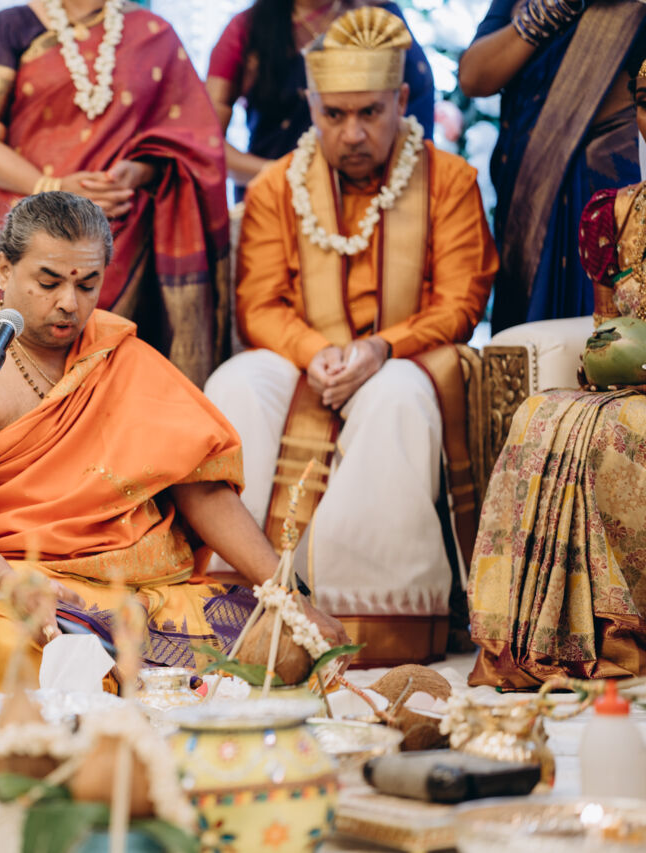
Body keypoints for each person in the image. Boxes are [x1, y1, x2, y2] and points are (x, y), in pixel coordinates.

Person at [0, 191, 347, 692]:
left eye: (88, 284)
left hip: (144, 593)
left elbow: (202, 488)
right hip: (18, 584)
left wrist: (288, 597)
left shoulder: (118, 354)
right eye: (48, 282)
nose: (69, 303)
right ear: (5, 270)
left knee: (285, 644)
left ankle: (140, 684)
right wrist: (14, 584)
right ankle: (140, 687)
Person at [205, 8, 497, 665]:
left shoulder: (450, 182)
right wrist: (316, 353)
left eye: (370, 112)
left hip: (402, 355)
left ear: (402, 100)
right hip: (305, 356)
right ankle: (233, 600)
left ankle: (370, 611)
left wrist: (379, 348)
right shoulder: (276, 186)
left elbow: (461, 301)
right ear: (310, 104)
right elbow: (259, 304)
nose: (353, 132)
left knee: (395, 394)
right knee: (237, 381)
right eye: (334, 114)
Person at [468, 54, 646, 689]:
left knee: (622, 430)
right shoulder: (616, 214)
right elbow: (605, 331)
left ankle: (624, 638)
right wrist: (611, 356)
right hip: (633, 384)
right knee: (538, 414)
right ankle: (539, 644)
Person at [0, 0, 229, 385]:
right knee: (17, 376)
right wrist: (53, 189)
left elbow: (192, 142)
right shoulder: (14, 26)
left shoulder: (153, 33)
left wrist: (137, 171)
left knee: (118, 384)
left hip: (124, 236)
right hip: (29, 230)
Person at [459, 0, 646, 330]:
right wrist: (555, 7)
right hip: (527, 185)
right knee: (525, 333)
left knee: (608, 330)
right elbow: (474, 78)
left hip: (601, 184)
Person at [207, 0, 435, 193]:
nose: (351, 134)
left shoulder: (378, 19)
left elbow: (416, 122)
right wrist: (294, 177)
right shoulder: (249, 29)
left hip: (379, 194)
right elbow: (206, 144)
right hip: (276, 197)